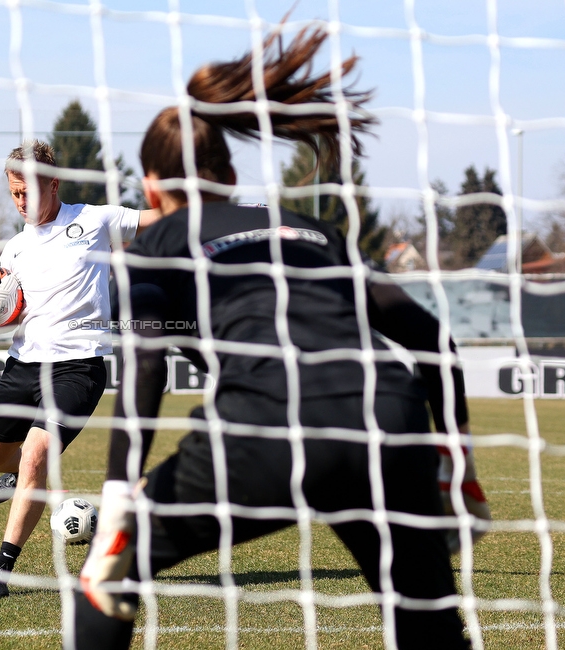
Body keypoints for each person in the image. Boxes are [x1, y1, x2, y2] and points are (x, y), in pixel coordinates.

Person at [71, 26, 490, 650]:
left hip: (267, 426)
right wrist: (455, 460)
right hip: (388, 420)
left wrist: (115, 506)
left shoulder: (157, 242)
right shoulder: (307, 230)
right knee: (428, 624)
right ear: (232, 173)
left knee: (108, 581)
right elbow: (429, 336)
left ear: (152, 188)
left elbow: (145, 368)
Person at [0, 140, 161, 598]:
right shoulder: (13, 252)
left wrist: (244, 216)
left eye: (29, 191)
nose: (22, 201)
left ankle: (0, 572)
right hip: (23, 365)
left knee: (35, 454)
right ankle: (23, 477)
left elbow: (162, 219)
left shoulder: (96, 219)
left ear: (53, 183)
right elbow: (9, 310)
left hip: (78, 367)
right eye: (14, 193)